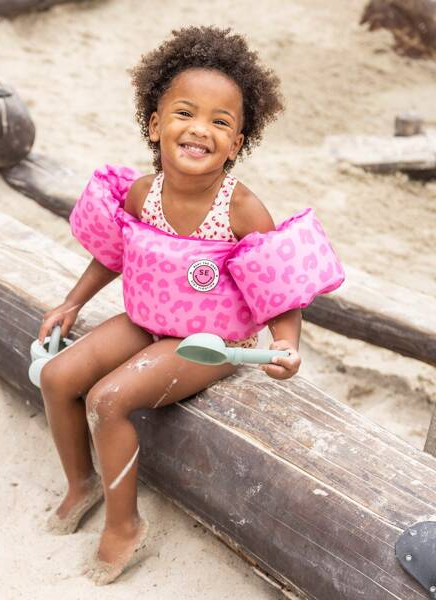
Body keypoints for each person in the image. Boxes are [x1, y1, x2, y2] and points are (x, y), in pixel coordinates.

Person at [38, 26, 307, 585]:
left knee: (109, 399)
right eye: (185, 113)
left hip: (209, 342)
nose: (200, 129)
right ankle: (81, 483)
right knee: (59, 376)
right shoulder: (144, 193)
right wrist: (72, 302)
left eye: (220, 122)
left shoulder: (240, 209)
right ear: (156, 124)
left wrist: (286, 343)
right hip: (146, 320)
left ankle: (124, 525)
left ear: (237, 142)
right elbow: (115, 255)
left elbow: (278, 286)